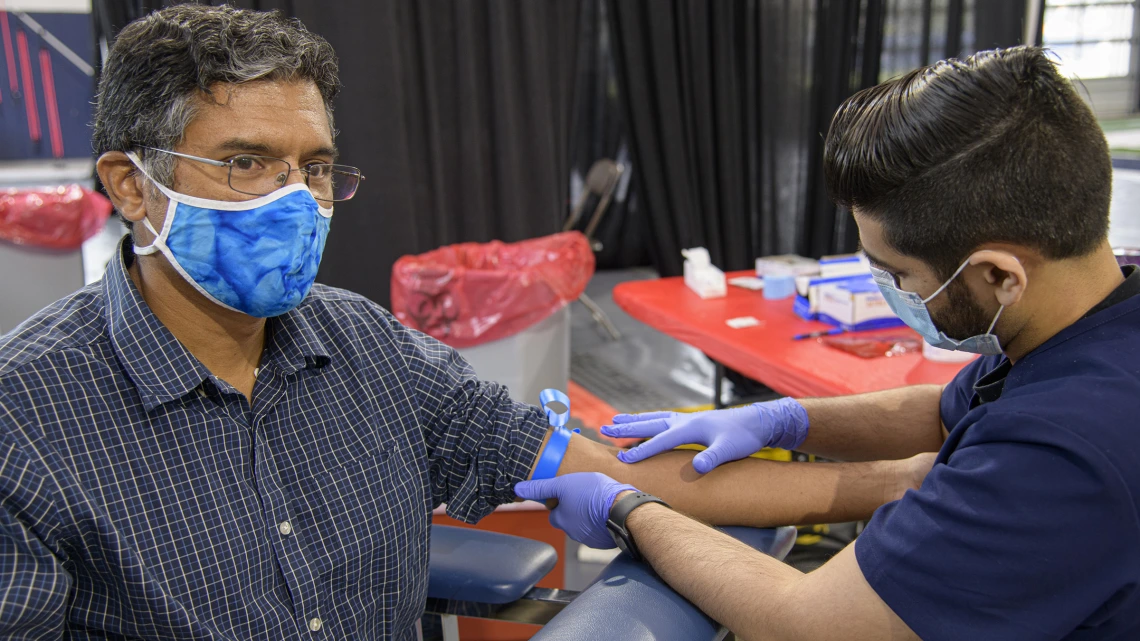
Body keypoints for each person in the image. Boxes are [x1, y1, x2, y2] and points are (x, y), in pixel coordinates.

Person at [0, 6, 933, 639]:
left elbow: (618, 471)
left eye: (315, 168)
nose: (296, 202)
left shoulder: (365, 350)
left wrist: (915, 482)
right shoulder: (27, 421)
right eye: (247, 164)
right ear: (131, 184)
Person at [516, 46, 1140, 640]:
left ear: (1000, 275)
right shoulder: (1084, 322)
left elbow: (810, 624)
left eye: (896, 274)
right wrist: (781, 420)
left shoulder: (1066, 451)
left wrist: (631, 510)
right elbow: (943, 411)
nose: (890, 291)